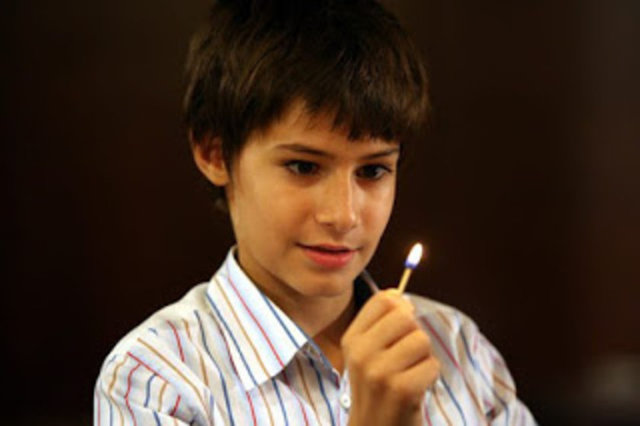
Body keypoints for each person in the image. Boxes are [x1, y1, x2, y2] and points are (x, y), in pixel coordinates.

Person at [94, 1, 536, 424]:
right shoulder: (156, 380)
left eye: (373, 170)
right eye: (303, 167)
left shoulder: (457, 349)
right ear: (214, 153)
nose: (344, 215)